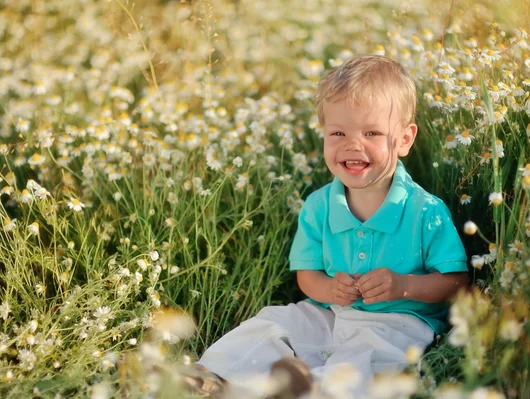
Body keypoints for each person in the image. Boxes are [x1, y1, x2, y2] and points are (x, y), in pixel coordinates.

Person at [187, 55, 469, 398]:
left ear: (405, 140)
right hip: (332, 312)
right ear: (323, 134)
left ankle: (305, 391)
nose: (353, 144)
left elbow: (455, 282)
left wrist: (404, 285)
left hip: (398, 323)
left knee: (359, 360)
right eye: (338, 132)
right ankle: (212, 376)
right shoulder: (319, 205)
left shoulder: (425, 210)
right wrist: (329, 291)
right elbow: (307, 275)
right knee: (275, 321)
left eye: (372, 133)